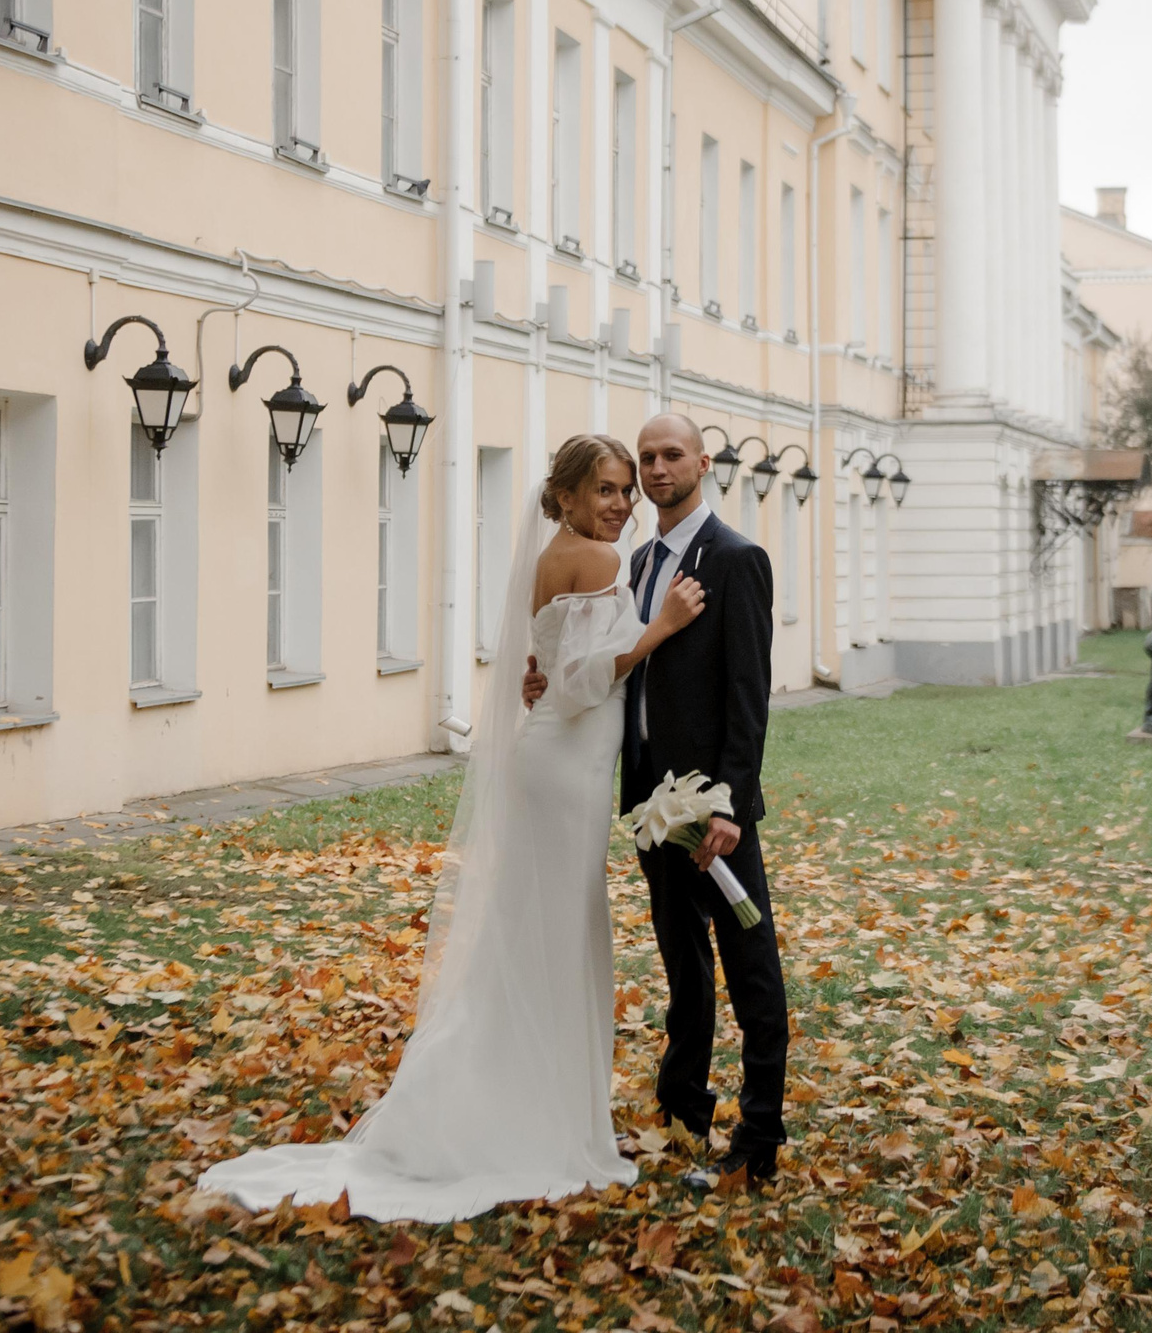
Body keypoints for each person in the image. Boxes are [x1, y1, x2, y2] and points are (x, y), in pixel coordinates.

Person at [197, 435, 704, 1222]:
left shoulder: (563, 552)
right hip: (565, 766)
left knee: (536, 936)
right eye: (604, 490)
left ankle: (522, 1103)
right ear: (566, 496)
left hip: (559, 765)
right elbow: (573, 685)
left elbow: (551, 667)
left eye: (624, 491)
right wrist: (661, 627)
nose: (620, 504)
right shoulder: (598, 561)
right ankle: (535, 1123)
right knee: (555, 940)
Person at [525, 413, 787, 1193]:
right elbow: (605, 662)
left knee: (750, 965)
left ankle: (760, 1133)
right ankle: (683, 1110)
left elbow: (749, 696)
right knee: (682, 965)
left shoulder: (738, 559)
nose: (657, 468)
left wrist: (732, 804)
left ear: (704, 462)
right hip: (647, 804)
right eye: (646, 459)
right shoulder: (634, 561)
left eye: (672, 454)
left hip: (712, 813)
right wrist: (545, 680)